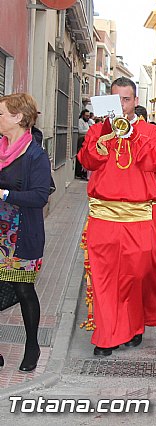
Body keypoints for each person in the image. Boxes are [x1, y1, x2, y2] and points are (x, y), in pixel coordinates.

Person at [78, 77, 156, 357]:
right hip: (104, 215)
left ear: (136, 102)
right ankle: (106, 335)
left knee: (137, 276)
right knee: (104, 277)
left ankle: (134, 325)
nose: (121, 105)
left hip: (139, 217)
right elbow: (87, 161)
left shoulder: (150, 132)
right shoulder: (98, 129)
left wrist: (132, 134)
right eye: (116, 100)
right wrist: (107, 132)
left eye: (126, 100)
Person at [0, 93, 51, 372]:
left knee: (23, 290)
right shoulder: (0, 148)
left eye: (2, 114)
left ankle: (32, 345)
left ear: (18, 118)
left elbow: (40, 196)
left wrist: (5, 194)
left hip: (21, 235)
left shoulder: (34, 155)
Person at [76, 109, 93, 179]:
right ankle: (79, 173)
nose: (88, 117)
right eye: (86, 116)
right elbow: (80, 131)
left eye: (89, 116)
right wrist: (89, 131)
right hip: (81, 141)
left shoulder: (87, 122)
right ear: (83, 115)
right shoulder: (80, 121)